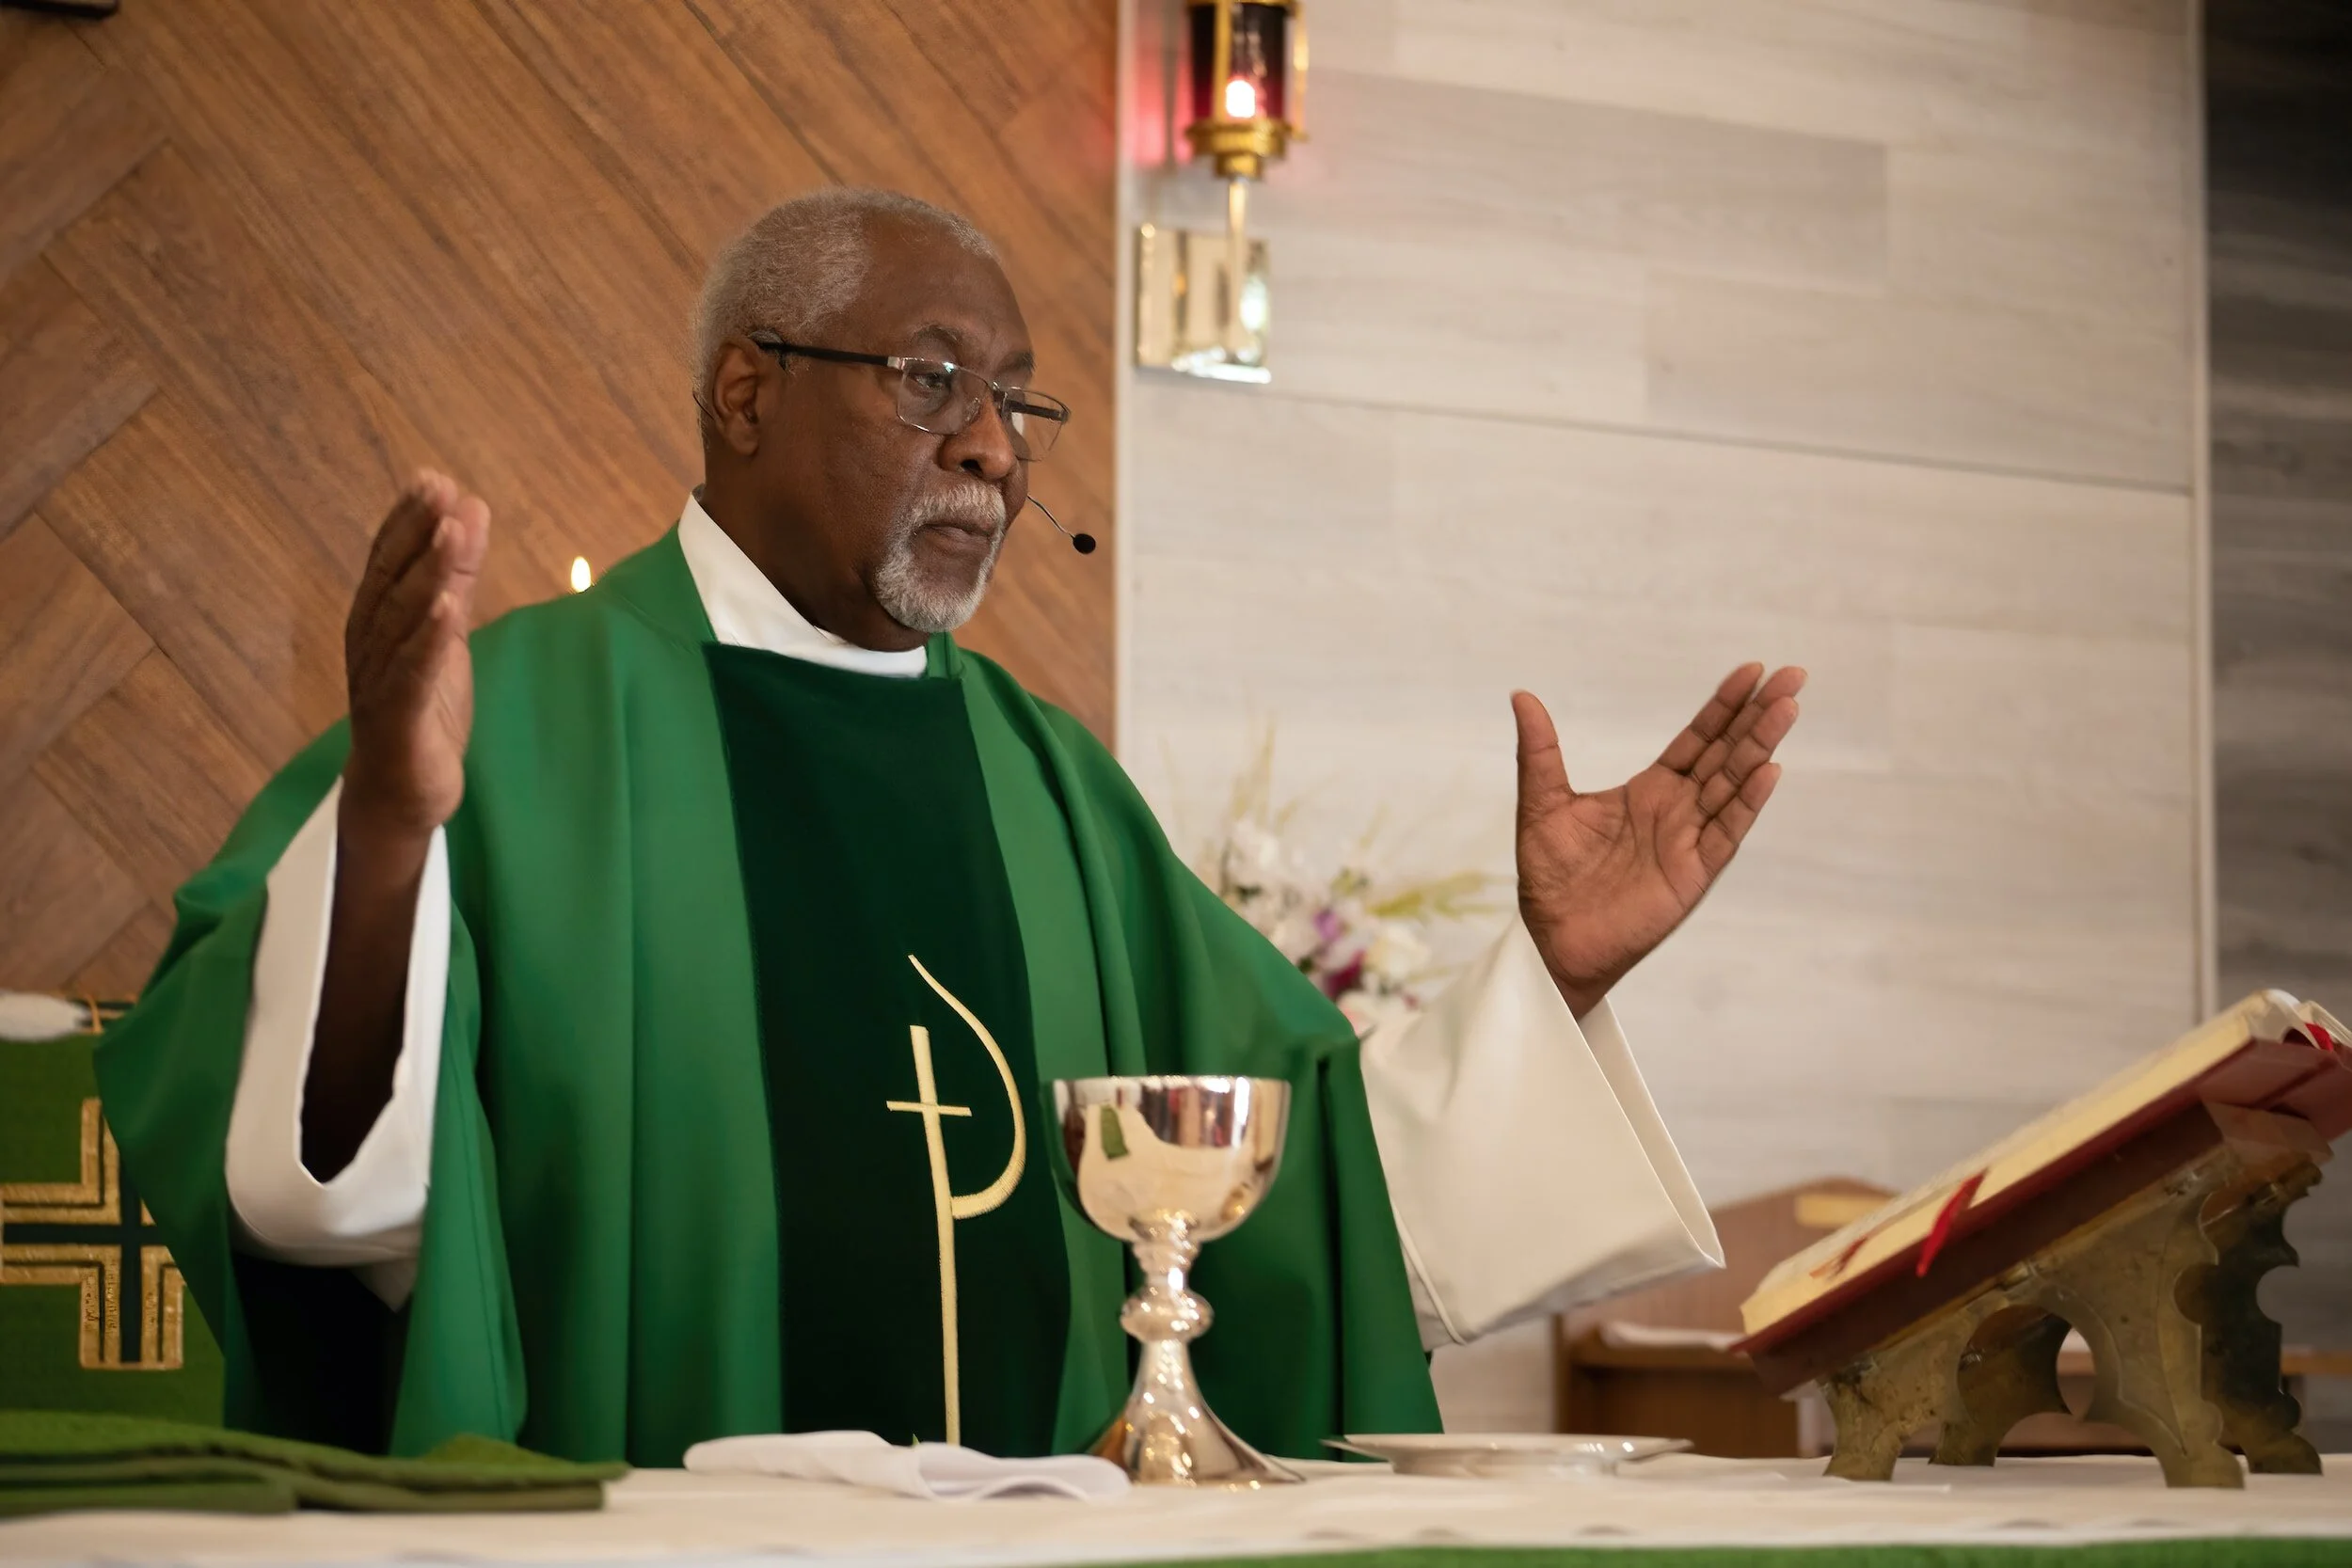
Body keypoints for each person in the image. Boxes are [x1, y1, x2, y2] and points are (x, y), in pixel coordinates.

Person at [98, 188, 1803, 1467]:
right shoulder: (522, 723)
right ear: (746, 395)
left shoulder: (1050, 785)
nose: (991, 448)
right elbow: (322, 1203)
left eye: (1019, 403)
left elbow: (1294, 1195)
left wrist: (1550, 986)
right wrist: (390, 835)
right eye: (931, 382)